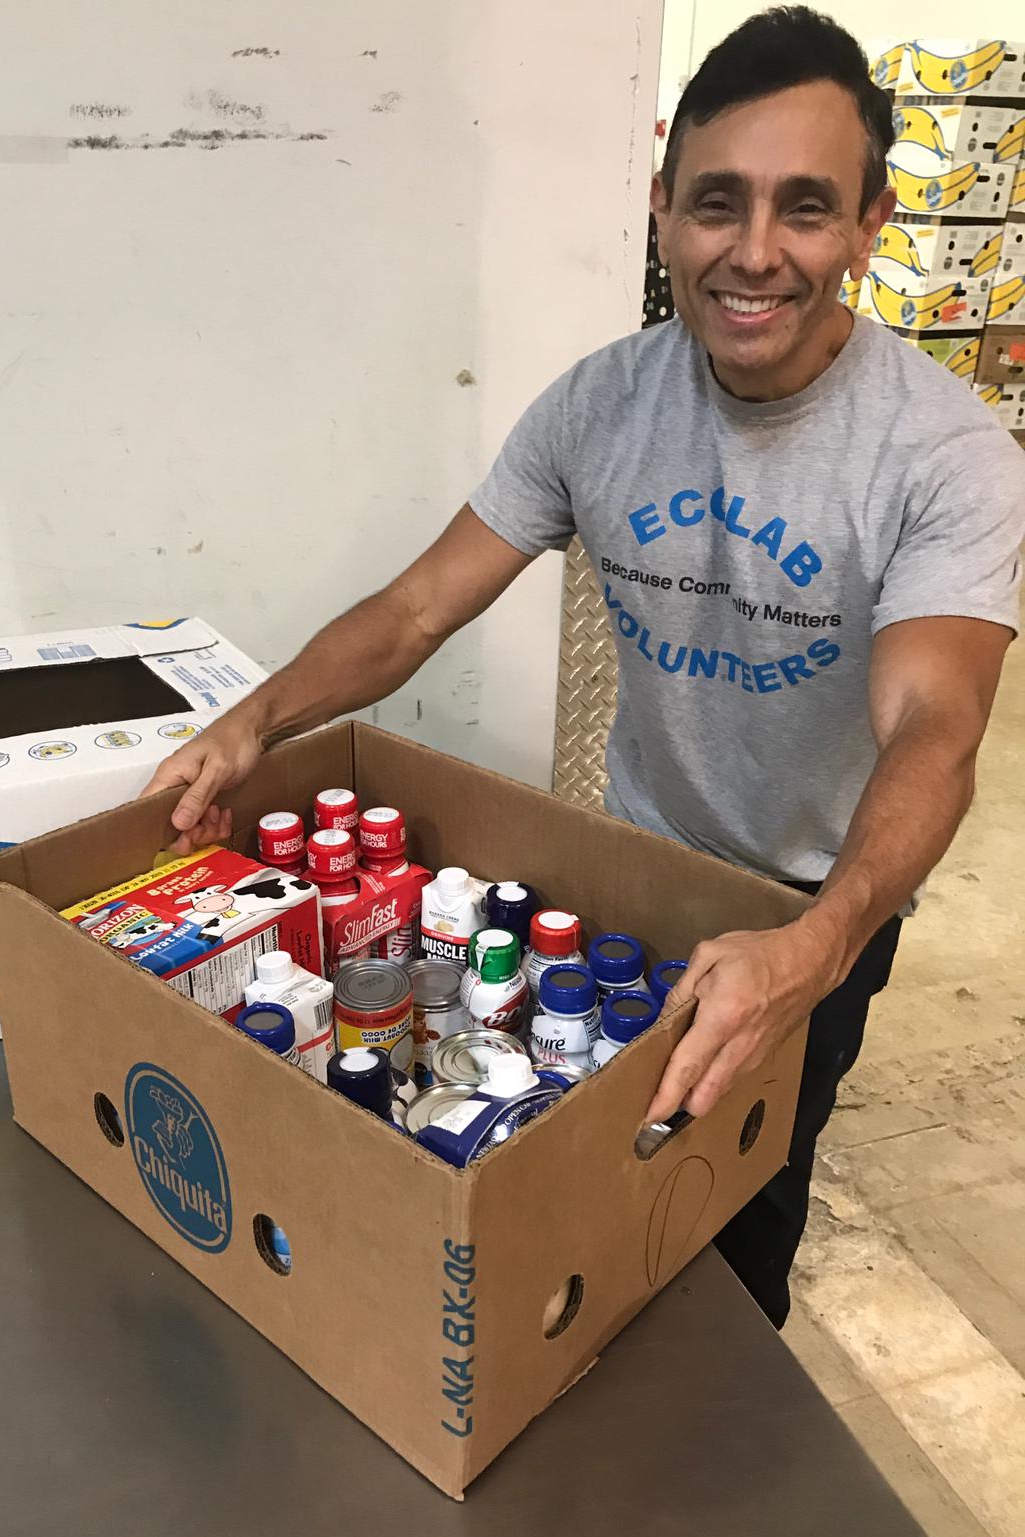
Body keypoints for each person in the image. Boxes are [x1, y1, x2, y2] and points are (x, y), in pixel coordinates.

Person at [142, 7, 1023, 1326]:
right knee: (578, 1184)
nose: (756, 252)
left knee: (733, 1217)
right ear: (664, 206)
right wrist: (251, 724)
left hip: (815, 901)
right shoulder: (598, 405)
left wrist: (822, 943)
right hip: (637, 868)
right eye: (718, 203)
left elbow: (934, 723)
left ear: (871, 222)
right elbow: (419, 607)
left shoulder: (944, 453)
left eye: (806, 208)